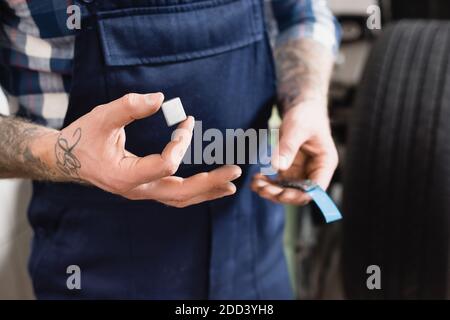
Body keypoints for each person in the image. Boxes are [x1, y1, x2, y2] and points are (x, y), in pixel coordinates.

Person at [0, 0, 340, 299]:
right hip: (96, 264)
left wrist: (307, 99)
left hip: (253, 251)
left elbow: (302, 13)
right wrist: (62, 154)